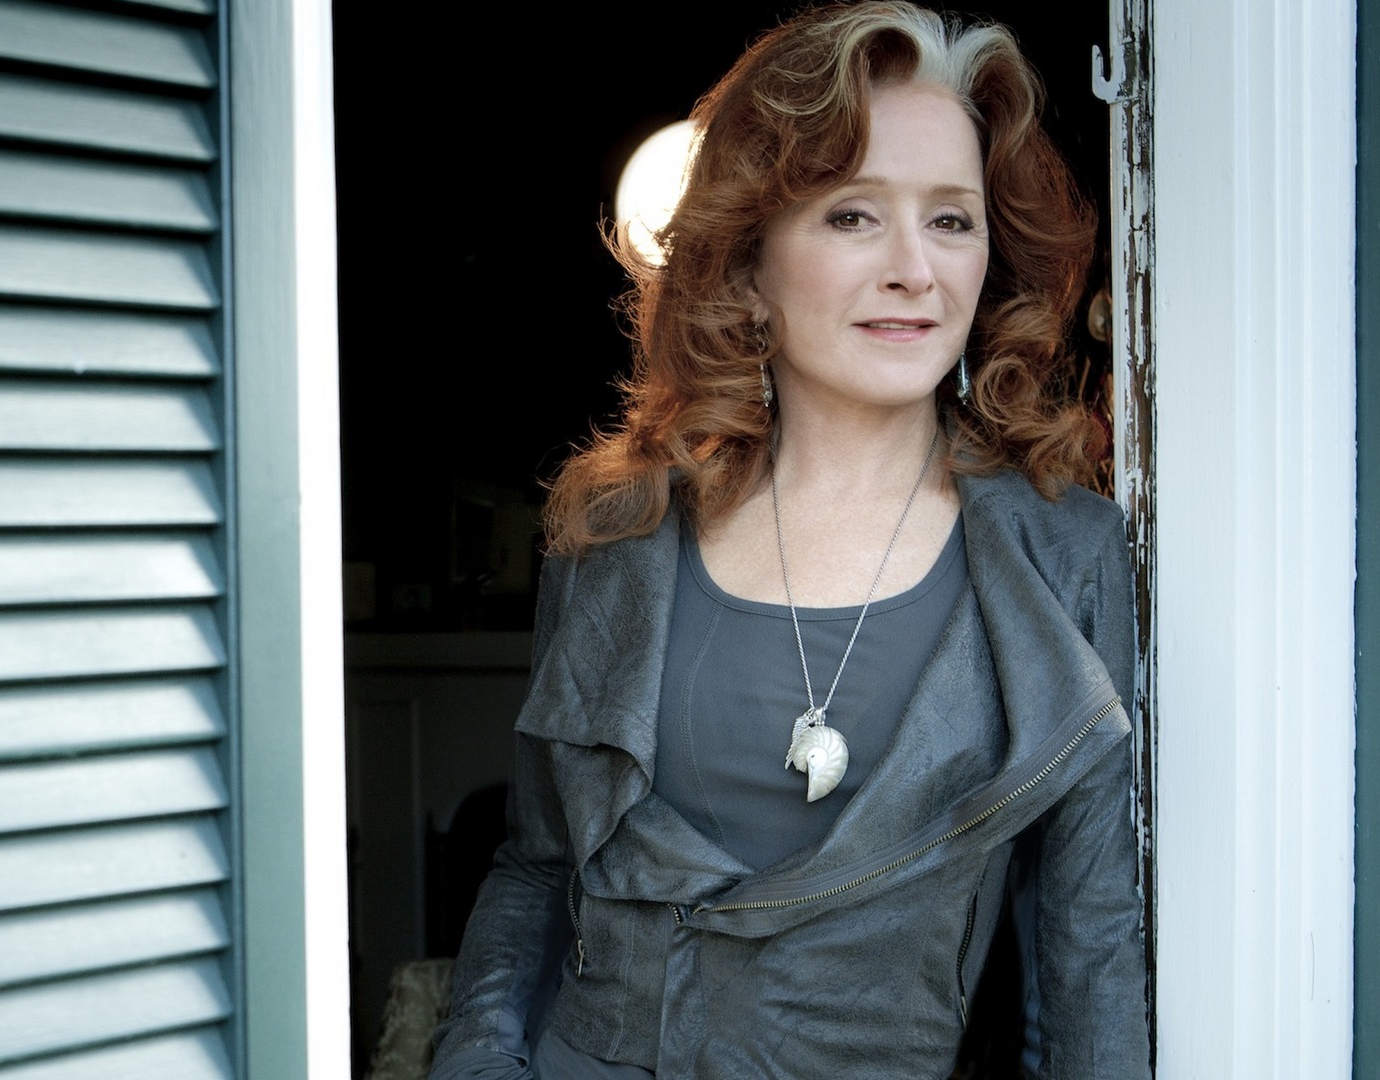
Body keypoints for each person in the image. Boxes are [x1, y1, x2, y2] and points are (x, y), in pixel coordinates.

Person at [430, 3, 1147, 1077]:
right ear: (750, 257)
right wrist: (477, 1063)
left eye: (951, 220)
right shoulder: (618, 531)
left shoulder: (1065, 556)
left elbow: (1083, 954)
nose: (915, 269)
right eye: (853, 215)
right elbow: (537, 868)